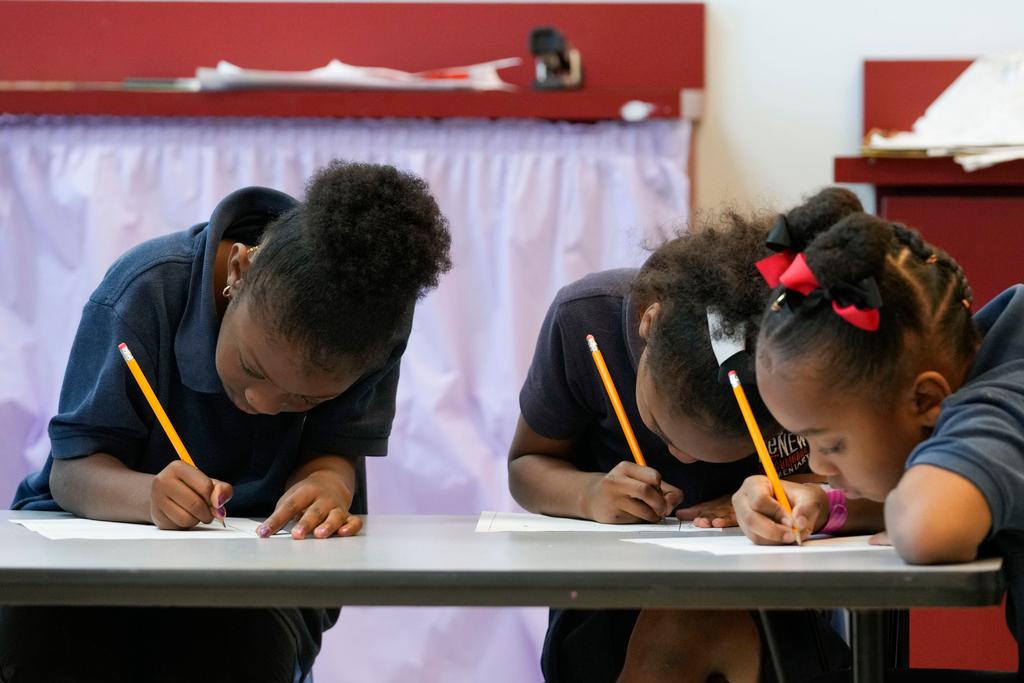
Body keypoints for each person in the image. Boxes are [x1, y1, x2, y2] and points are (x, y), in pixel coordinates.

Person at [1, 160, 452, 683]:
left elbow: (337, 447)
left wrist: (328, 483)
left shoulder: (371, 325)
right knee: (43, 650)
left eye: (304, 399)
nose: (261, 401)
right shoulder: (142, 292)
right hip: (93, 543)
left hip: (260, 563)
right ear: (237, 272)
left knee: (238, 653)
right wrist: (147, 496)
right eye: (252, 367)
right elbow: (71, 473)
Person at [509, 190, 871, 683]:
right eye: (659, 428)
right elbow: (526, 466)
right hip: (608, 607)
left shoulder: (803, 360)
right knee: (678, 626)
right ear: (649, 322)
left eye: (720, 457)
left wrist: (801, 492)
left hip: (775, 605)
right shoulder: (584, 321)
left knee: (696, 619)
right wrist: (588, 493)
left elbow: (874, 487)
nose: (680, 459)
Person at [732, 197, 1023, 680]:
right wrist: (831, 506)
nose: (821, 466)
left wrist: (914, 504)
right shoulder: (1000, 349)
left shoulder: (996, 405)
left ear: (927, 401)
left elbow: (929, 527)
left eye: (831, 444)